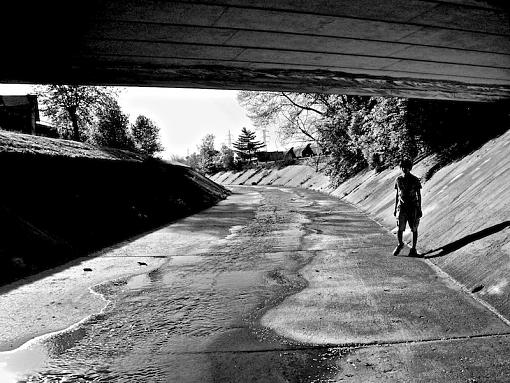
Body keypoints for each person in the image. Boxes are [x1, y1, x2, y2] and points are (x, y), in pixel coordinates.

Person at [393, 158, 422, 257]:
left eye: (406, 167)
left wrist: (419, 208)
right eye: (402, 167)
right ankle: (400, 243)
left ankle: (413, 249)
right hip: (401, 207)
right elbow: (398, 194)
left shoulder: (415, 179)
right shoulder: (398, 179)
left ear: (410, 168)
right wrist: (395, 208)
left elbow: (419, 194)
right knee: (400, 228)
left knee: (414, 228)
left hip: (413, 206)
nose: (404, 169)